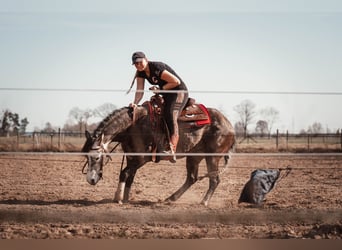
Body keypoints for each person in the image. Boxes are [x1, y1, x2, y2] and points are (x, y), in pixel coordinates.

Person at [129, 51, 189, 163]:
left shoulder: (156, 67)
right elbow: (139, 91)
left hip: (179, 92)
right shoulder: (140, 72)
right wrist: (135, 103)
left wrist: (159, 90)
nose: (138, 65)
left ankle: (172, 148)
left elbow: (176, 81)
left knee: (170, 114)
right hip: (166, 94)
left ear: (146, 59)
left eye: (139, 62)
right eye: (135, 64)